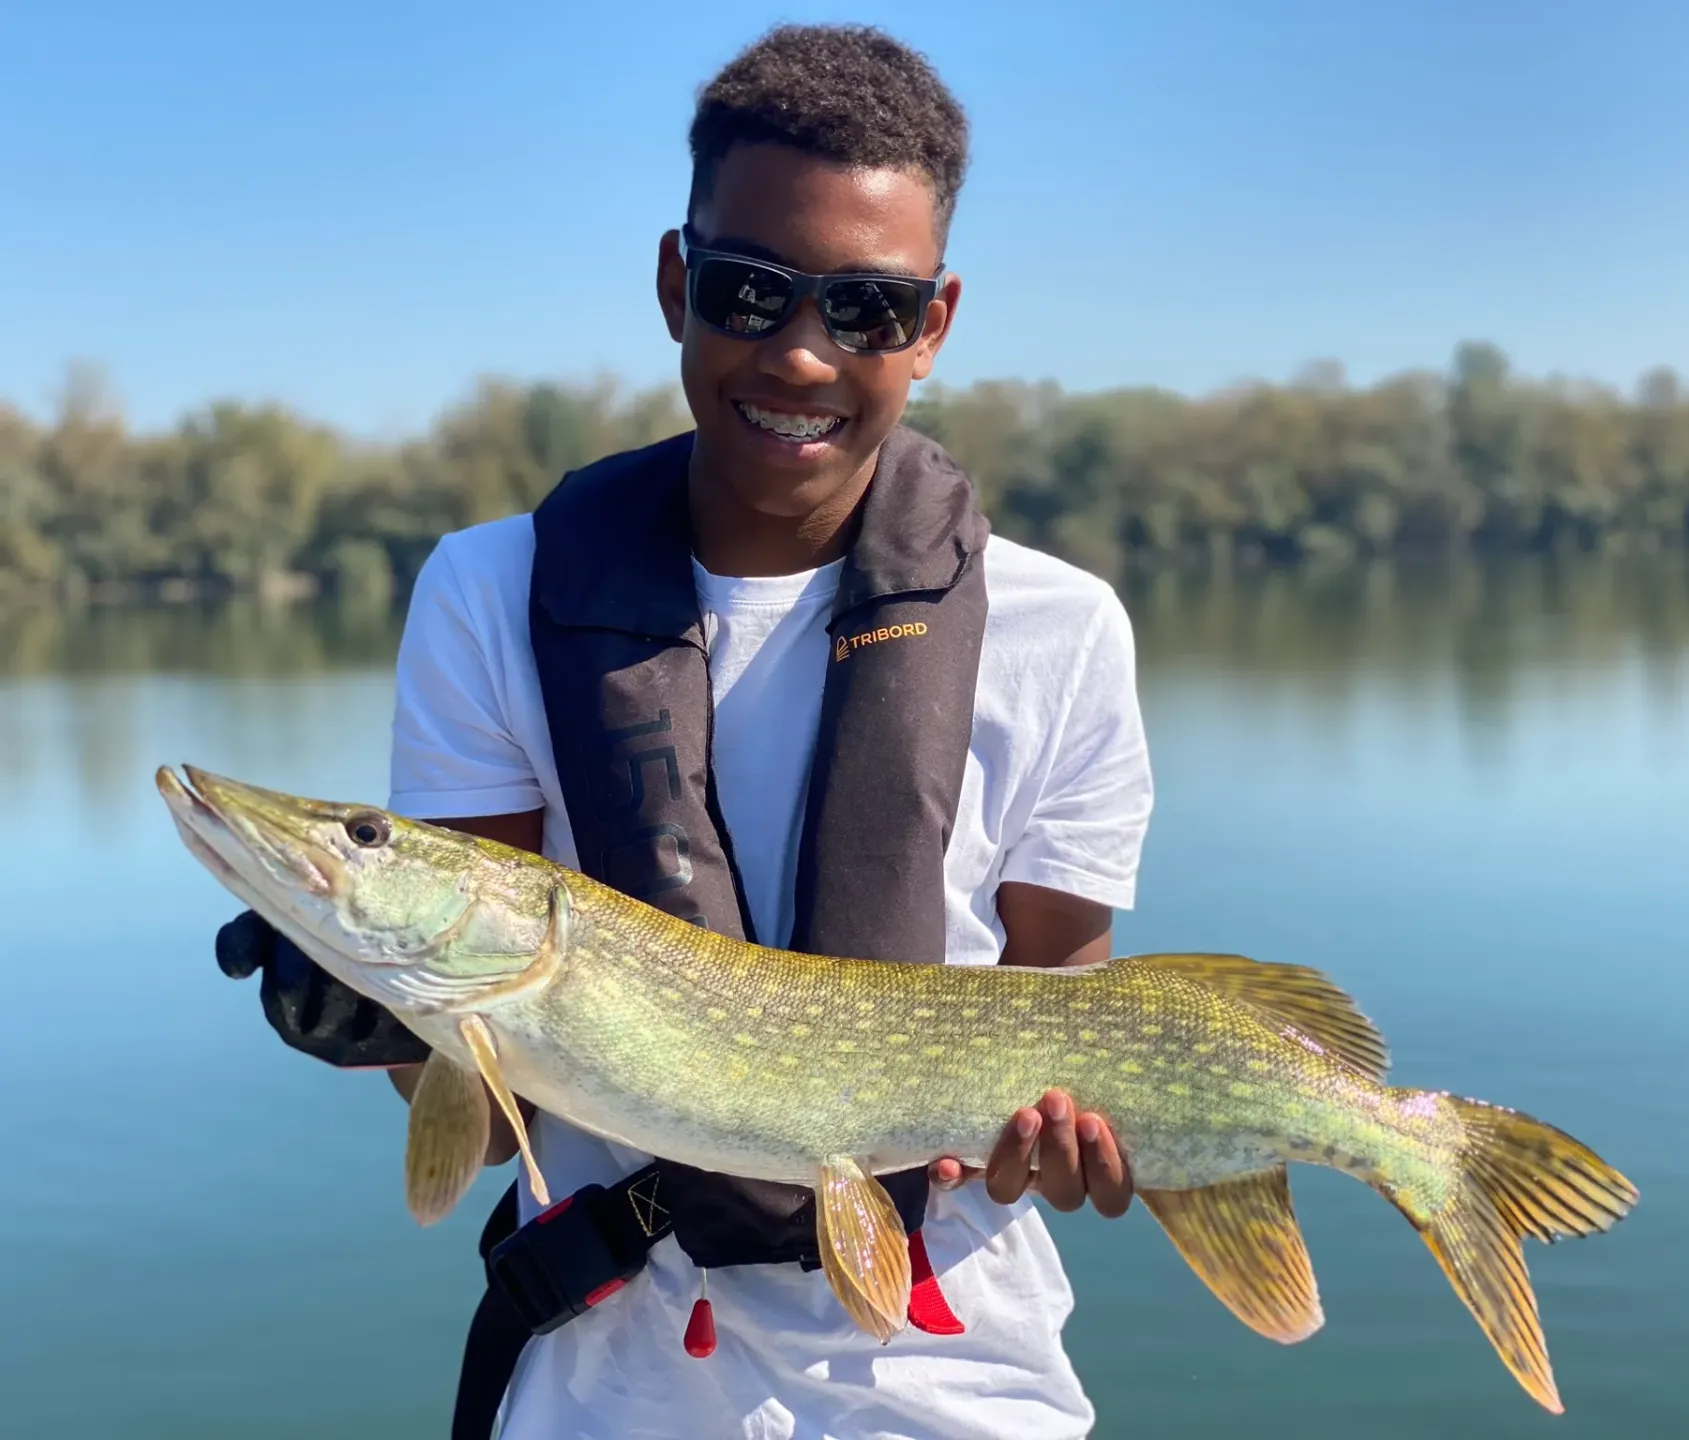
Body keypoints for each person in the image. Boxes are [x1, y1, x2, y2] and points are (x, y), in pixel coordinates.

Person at [213, 22, 1154, 1440]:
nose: (799, 355)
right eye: (749, 289)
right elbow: (475, 1114)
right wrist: (381, 1018)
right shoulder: (491, 594)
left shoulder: (1062, 629)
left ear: (937, 324)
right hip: (614, 1383)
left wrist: (1073, 1140)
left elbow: (1067, 1020)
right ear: (675, 281)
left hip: (956, 1383)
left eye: (867, 311)